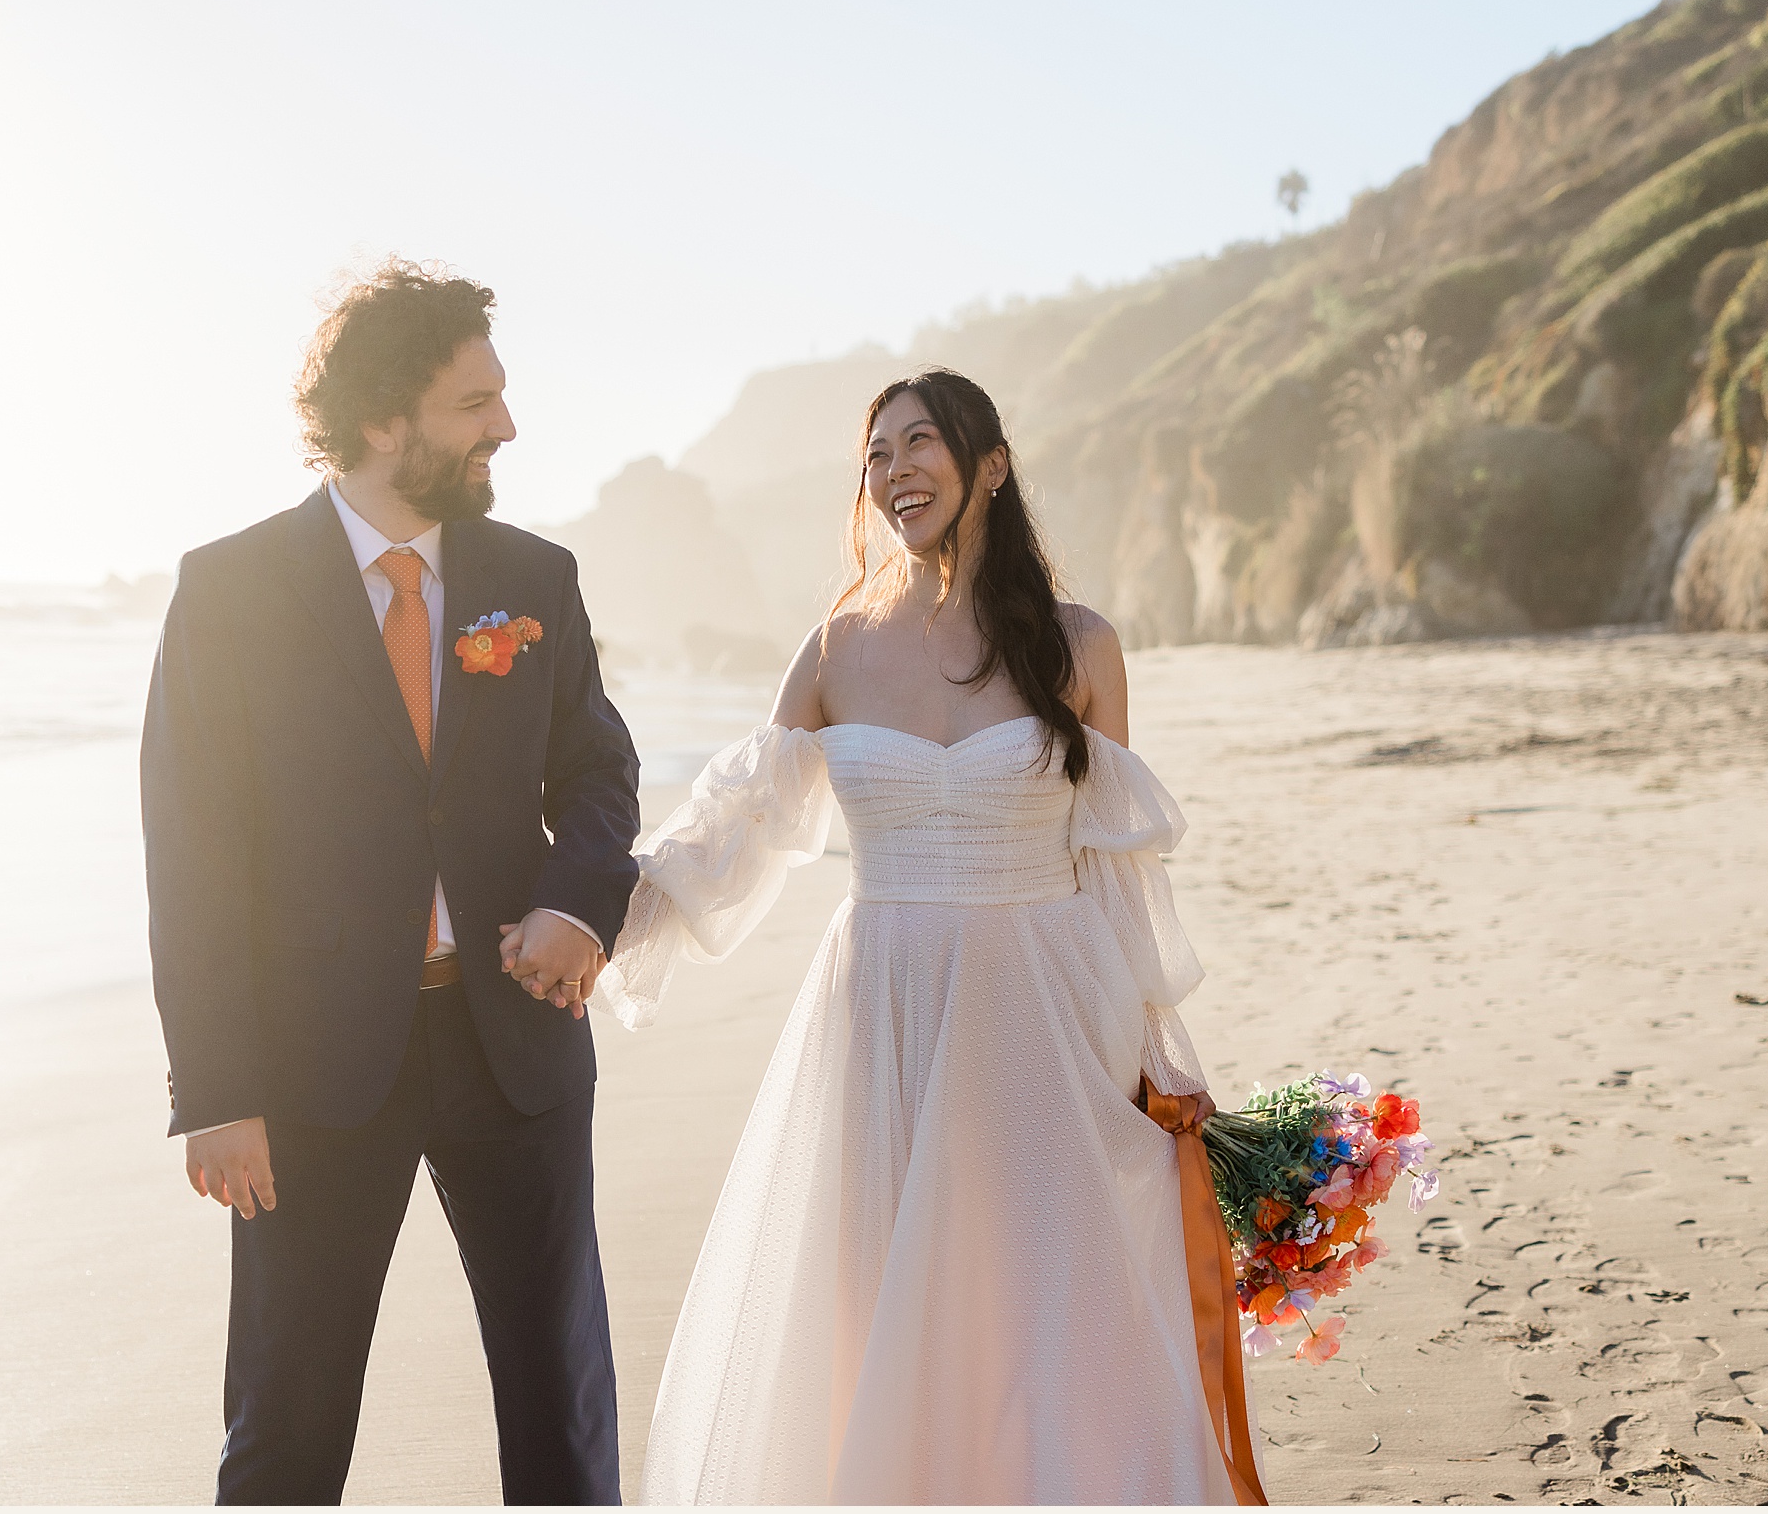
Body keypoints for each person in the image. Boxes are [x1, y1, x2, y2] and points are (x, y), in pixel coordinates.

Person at [533, 367, 1267, 1504]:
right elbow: (733, 828)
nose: (893, 471)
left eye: (919, 443)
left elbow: (1115, 866)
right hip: (882, 1008)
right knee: (877, 1294)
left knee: (1040, 1291)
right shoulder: (836, 645)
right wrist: (596, 922)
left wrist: (1162, 1058)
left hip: (1043, 1002)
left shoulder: (1078, 645)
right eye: (875, 455)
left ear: (990, 467)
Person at [141, 260, 640, 1505]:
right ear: (383, 420)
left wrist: (578, 903)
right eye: (476, 402)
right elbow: (191, 853)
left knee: (560, 1412)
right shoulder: (229, 591)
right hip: (311, 1073)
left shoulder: (535, 579)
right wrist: (217, 1086)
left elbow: (598, 775)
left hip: (514, 1049)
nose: (506, 428)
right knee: (285, 1425)